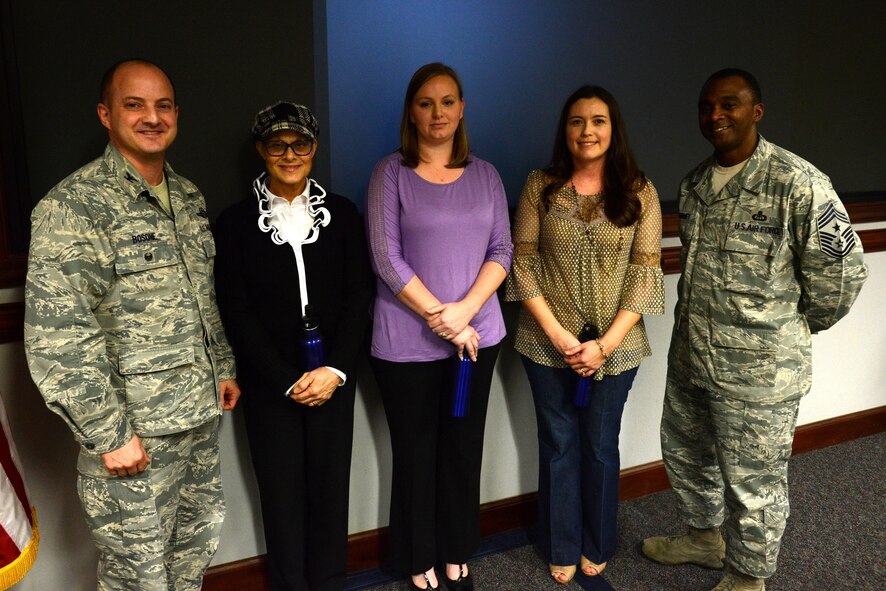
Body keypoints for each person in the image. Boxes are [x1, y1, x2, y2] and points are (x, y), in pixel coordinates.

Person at [641, 69, 868, 591]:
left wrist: (783, 332)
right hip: (693, 358)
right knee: (686, 453)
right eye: (706, 106)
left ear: (756, 111)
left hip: (759, 375)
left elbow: (842, 275)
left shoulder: (797, 182)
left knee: (754, 484)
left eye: (729, 104)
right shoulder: (695, 185)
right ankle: (703, 540)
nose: (716, 115)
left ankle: (749, 576)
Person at [23, 59, 240, 591]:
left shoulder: (186, 197)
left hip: (196, 418)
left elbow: (198, 296)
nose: (152, 117)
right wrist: (109, 434)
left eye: (163, 105)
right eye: (134, 104)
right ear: (105, 114)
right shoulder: (73, 208)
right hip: (133, 438)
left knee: (190, 561)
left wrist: (223, 366)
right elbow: (60, 336)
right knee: (137, 579)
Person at [505, 85, 664, 584]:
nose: (587, 131)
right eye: (576, 121)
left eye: (597, 121)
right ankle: (561, 544)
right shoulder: (541, 186)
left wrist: (604, 344)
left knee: (599, 446)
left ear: (613, 129)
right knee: (557, 445)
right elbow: (523, 260)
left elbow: (646, 273)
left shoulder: (640, 191)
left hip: (616, 349)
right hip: (544, 343)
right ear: (565, 130)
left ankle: (597, 542)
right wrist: (559, 336)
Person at [213, 102, 373, 591]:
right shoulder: (235, 224)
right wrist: (286, 379)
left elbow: (359, 297)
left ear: (314, 148)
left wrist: (336, 371)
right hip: (270, 385)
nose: (289, 154)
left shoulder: (343, 214)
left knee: (329, 491)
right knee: (281, 496)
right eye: (277, 145)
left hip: (332, 379)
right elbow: (235, 310)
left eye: (299, 144)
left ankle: (329, 583)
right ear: (262, 151)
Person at [365, 63, 512, 591]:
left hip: (477, 340)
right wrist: (444, 319)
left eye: (448, 102)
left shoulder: (487, 175)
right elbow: (386, 258)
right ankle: (417, 557)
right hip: (406, 344)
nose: (438, 114)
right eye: (426, 103)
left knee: (461, 448)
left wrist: (465, 312)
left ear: (462, 108)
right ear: (411, 111)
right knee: (416, 453)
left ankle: (456, 551)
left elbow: (502, 250)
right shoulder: (389, 174)